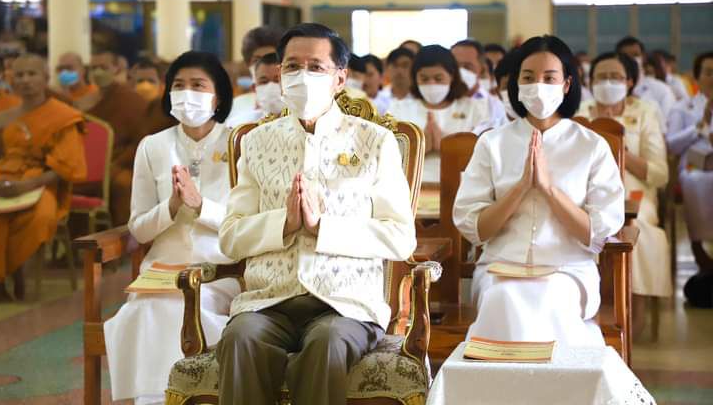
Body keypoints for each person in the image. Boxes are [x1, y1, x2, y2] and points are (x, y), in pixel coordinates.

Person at [215, 23, 416, 405]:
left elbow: (401, 237)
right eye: (292, 66)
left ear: (339, 78)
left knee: (327, 341)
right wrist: (284, 224)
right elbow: (230, 237)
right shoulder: (256, 142)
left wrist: (323, 228)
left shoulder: (375, 140)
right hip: (269, 302)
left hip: (346, 305)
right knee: (240, 337)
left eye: (316, 67)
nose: (302, 76)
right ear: (279, 74)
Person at [453, 36, 625, 346]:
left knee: (550, 295)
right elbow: (476, 229)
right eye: (528, 78)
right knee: (504, 298)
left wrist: (547, 189)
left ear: (567, 84)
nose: (538, 86)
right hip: (500, 269)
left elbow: (595, 234)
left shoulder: (591, 146)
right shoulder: (492, 143)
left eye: (549, 78)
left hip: (567, 270)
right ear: (517, 84)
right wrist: (521, 188)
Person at [104, 51, 241, 405]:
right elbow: (139, 229)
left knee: (183, 306)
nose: (187, 93)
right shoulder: (153, 146)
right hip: (161, 272)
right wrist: (171, 208)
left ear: (219, 96)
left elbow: (247, 222)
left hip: (220, 268)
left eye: (198, 85)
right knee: (145, 309)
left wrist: (200, 206)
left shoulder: (240, 144)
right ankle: (157, 399)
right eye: (179, 85)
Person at [578, 51, 672, 334]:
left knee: (638, 230)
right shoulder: (580, 113)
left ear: (629, 81)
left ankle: (631, 316)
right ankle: (584, 313)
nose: (607, 83)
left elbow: (660, 174)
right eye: (600, 77)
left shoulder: (644, 113)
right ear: (590, 82)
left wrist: (619, 150)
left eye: (615, 77)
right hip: (585, 195)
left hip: (636, 196)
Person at [0, 54, 86, 300]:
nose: (25, 80)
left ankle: (12, 269)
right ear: (11, 80)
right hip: (2, 183)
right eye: (19, 75)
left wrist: (27, 185)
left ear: (45, 78)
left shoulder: (63, 116)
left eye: (31, 74)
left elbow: (65, 167)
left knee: (40, 216)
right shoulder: (1, 119)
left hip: (42, 185)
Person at [388, 45, 506, 184]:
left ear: (452, 76)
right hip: (409, 187)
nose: (431, 84)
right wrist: (418, 148)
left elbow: (485, 156)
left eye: (438, 78)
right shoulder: (398, 108)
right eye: (424, 79)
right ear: (415, 78)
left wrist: (446, 146)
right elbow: (385, 156)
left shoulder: (476, 108)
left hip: (462, 187)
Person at [80, 50, 148, 225]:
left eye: (103, 67)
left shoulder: (131, 100)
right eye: (93, 68)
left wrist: (117, 163)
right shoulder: (84, 101)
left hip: (121, 163)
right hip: (85, 164)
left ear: (116, 69)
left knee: (123, 185)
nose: (98, 72)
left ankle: (126, 235)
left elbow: (141, 140)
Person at [668, 51, 713, 273]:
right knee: (696, 180)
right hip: (694, 163)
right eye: (709, 73)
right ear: (696, 77)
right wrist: (699, 127)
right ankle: (697, 244)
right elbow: (672, 144)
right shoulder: (683, 107)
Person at [616, 36, 676, 131]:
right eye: (626, 56)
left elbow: (667, 125)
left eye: (636, 55)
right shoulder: (609, 88)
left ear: (643, 57)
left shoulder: (661, 89)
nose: (632, 59)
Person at [229, 26, 285, 118]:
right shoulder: (235, 107)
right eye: (257, 60)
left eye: (271, 59)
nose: (264, 66)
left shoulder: (297, 106)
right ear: (248, 64)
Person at [226, 52, 283, 128]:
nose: (271, 86)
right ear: (254, 88)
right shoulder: (238, 126)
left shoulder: (299, 122)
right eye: (264, 81)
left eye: (277, 80)